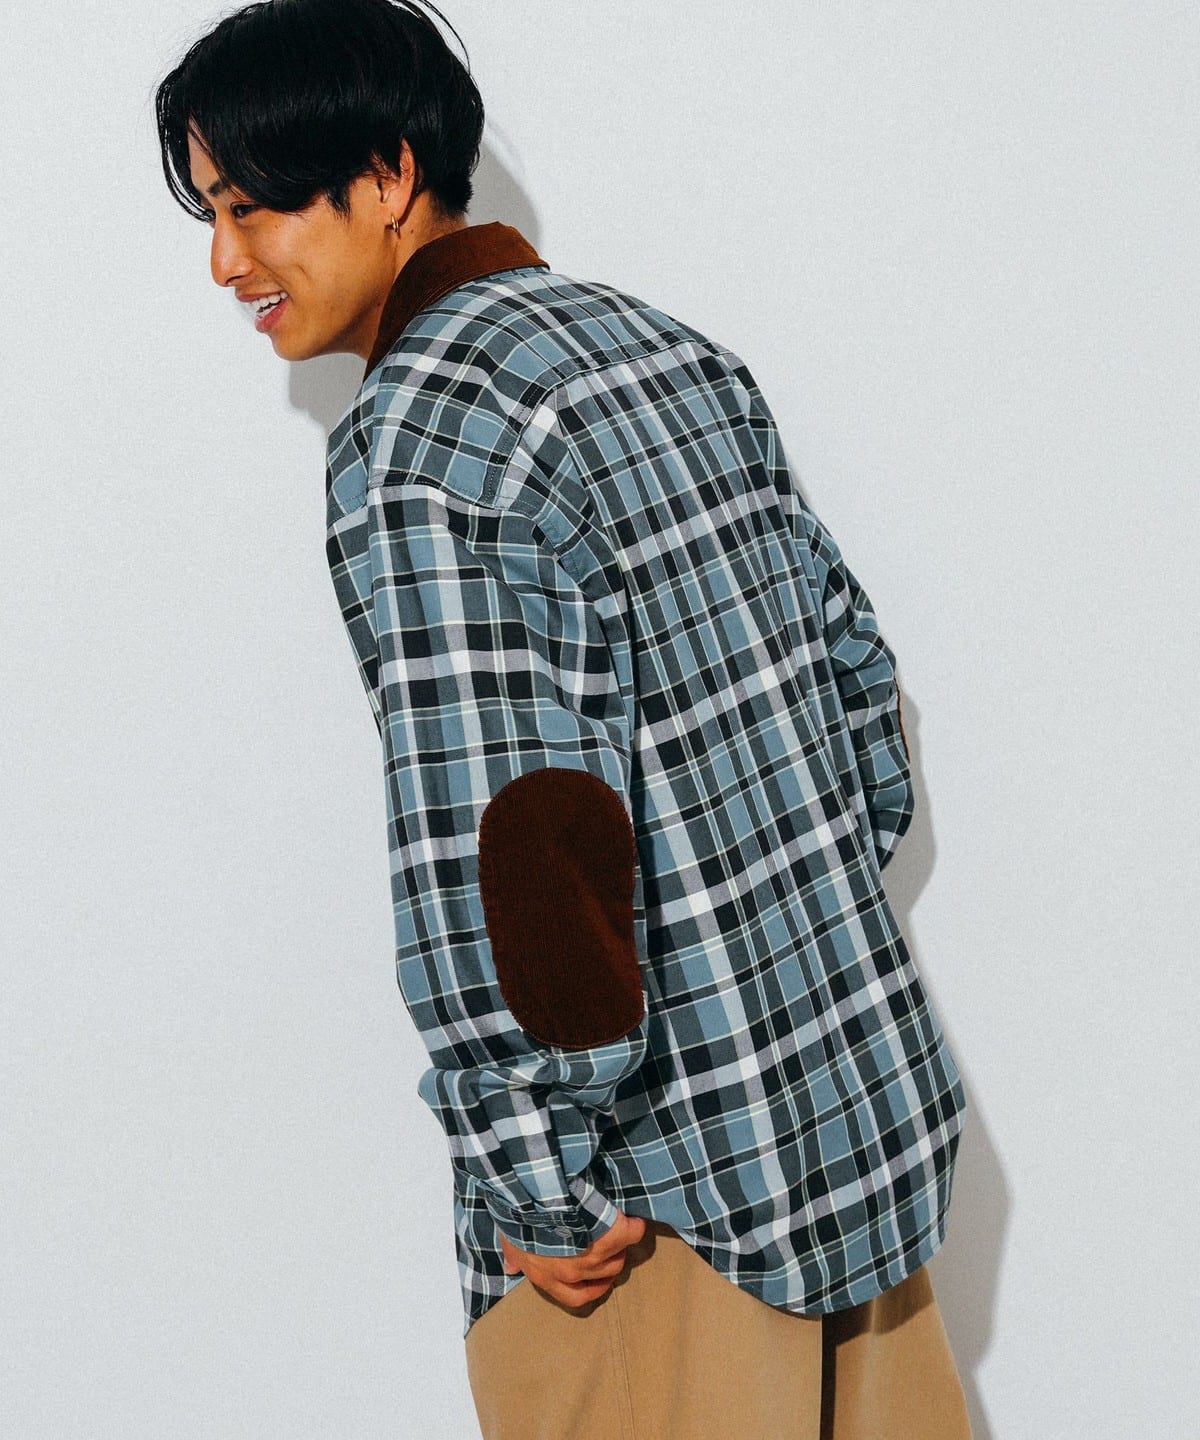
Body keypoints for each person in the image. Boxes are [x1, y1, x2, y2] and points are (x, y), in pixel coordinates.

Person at [156, 2, 972, 1435]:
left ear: (389, 176)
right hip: (855, 1131)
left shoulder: (419, 445)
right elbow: (860, 693)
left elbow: (521, 836)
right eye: (211, 214)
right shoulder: (662, 351)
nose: (226, 262)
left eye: (255, 207)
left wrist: (534, 1173)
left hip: (657, 1218)